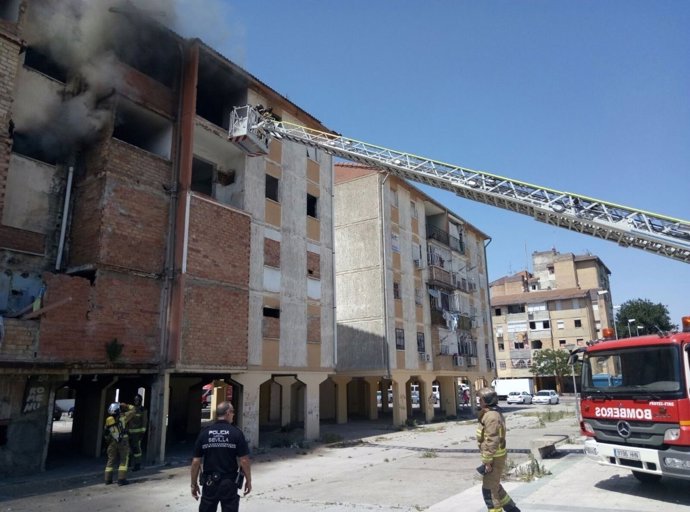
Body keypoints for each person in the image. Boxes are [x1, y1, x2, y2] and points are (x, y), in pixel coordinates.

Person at [190, 401, 252, 512]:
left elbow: (196, 462)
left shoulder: (205, 433)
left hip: (209, 484)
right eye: (232, 412)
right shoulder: (236, 433)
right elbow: (244, 460)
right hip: (229, 483)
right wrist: (248, 480)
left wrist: (193, 484)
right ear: (228, 413)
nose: (233, 415)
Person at [476, 387, 520, 512]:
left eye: (481, 399)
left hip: (494, 458)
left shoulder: (492, 416)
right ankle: (512, 510)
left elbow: (492, 439)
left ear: (486, 400)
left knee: (489, 490)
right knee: (495, 486)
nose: (479, 401)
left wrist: (488, 460)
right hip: (495, 456)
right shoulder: (491, 413)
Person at [103, 402, 136, 485]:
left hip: (112, 442)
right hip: (123, 441)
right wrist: (127, 405)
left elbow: (106, 433)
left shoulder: (108, 420)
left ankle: (108, 480)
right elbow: (133, 410)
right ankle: (121, 479)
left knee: (110, 460)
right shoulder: (123, 417)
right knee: (124, 460)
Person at [128, 394, 148, 471]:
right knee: (128, 449)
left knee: (136, 449)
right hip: (129, 433)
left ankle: (137, 464)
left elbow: (144, 422)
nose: (136, 401)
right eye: (135, 400)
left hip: (137, 434)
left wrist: (142, 433)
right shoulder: (131, 409)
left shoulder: (143, 410)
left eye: (137, 400)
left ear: (140, 400)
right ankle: (128, 463)